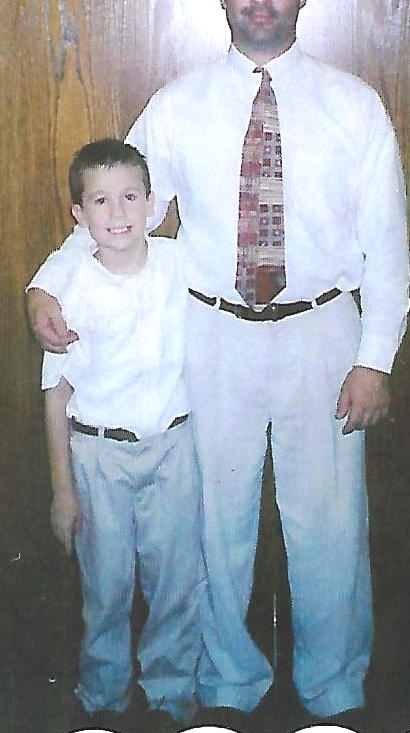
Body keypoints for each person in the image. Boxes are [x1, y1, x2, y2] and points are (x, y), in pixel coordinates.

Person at [27, 0, 410, 727]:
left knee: (329, 520)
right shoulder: (178, 106)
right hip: (214, 332)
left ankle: (334, 689)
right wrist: (44, 288)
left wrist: (375, 358)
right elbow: (113, 205)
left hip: (322, 332)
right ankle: (227, 683)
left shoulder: (354, 105)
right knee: (216, 517)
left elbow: (386, 245)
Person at [39, 138, 203, 731]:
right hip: (97, 455)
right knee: (106, 586)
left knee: (176, 581)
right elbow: (55, 394)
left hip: (172, 447)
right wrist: (63, 492)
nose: (117, 213)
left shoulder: (179, 265)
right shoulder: (70, 290)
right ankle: (103, 696)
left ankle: (171, 694)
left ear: (152, 203)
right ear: (79, 215)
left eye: (131, 197)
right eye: (101, 201)